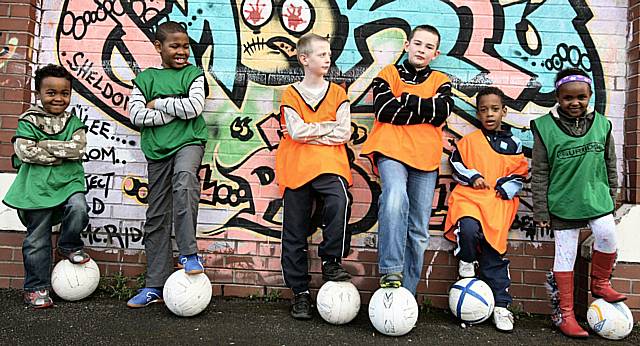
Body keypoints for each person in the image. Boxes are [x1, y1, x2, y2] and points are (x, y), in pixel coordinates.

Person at [531, 67, 626, 338]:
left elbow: (610, 162)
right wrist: (541, 208)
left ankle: (600, 282)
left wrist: (612, 193)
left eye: (581, 97)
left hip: (596, 197)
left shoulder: (602, 124)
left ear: (590, 96)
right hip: (563, 201)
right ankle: (566, 315)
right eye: (568, 98)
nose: (575, 103)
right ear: (557, 98)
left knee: (608, 236)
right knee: (565, 257)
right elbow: (539, 171)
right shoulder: (544, 127)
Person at [360, 25, 454, 294]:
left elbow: (441, 111)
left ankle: (407, 294)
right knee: (394, 198)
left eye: (428, 47)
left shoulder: (441, 80)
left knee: (418, 229)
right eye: (418, 44)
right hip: (391, 150)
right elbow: (384, 110)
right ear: (407, 46)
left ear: (435, 54)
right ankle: (391, 272)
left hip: (425, 159)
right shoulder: (388, 74)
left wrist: (406, 99)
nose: (421, 50)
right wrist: (424, 108)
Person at [126, 21, 209, 308]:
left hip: (189, 142)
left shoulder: (194, 74)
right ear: (158, 47)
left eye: (185, 46)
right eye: (175, 46)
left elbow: (195, 108)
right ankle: (154, 285)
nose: (182, 51)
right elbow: (135, 114)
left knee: (185, 181)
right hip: (157, 150)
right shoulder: (145, 79)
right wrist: (175, 111)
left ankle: (188, 254)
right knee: (157, 214)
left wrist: (159, 103)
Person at [275, 33, 353, 320]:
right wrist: (327, 128)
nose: (328, 58)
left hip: (330, 164)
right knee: (294, 231)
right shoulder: (291, 94)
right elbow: (295, 132)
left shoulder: (338, 93)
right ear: (304, 59)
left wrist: (312, 130)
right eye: (321, 54)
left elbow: (344, 132)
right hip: (296, 167)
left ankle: (331, 259)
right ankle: (300, 294)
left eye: (329, 53)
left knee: (340, 199)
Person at [3, 64, 90, 308]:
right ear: (38, 93)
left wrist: (44, 144)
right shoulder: (29, 120)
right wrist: (60, 151)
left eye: (64, 93)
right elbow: (24, 151)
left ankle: (68, 244)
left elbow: (78, 148)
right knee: (37, 239)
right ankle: (35, 288)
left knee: (79, 207)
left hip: (68, 181)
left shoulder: (74, 122)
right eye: (51, 92)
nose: (58, 98)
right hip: (36, 188)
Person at [444, 87, 528, 332]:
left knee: (494, 254)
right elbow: (456, 163)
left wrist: (507, 186)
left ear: (504, 111)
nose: (489, 114)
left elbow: (520, 173)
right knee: (467, 228)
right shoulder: (469, 141)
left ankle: (501, 307)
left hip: (497, 204)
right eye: (484, 110)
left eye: (494, 109)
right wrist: (473, 177)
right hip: (471, 198)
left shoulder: (514, 143)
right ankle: (467, 261)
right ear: (478, 114)